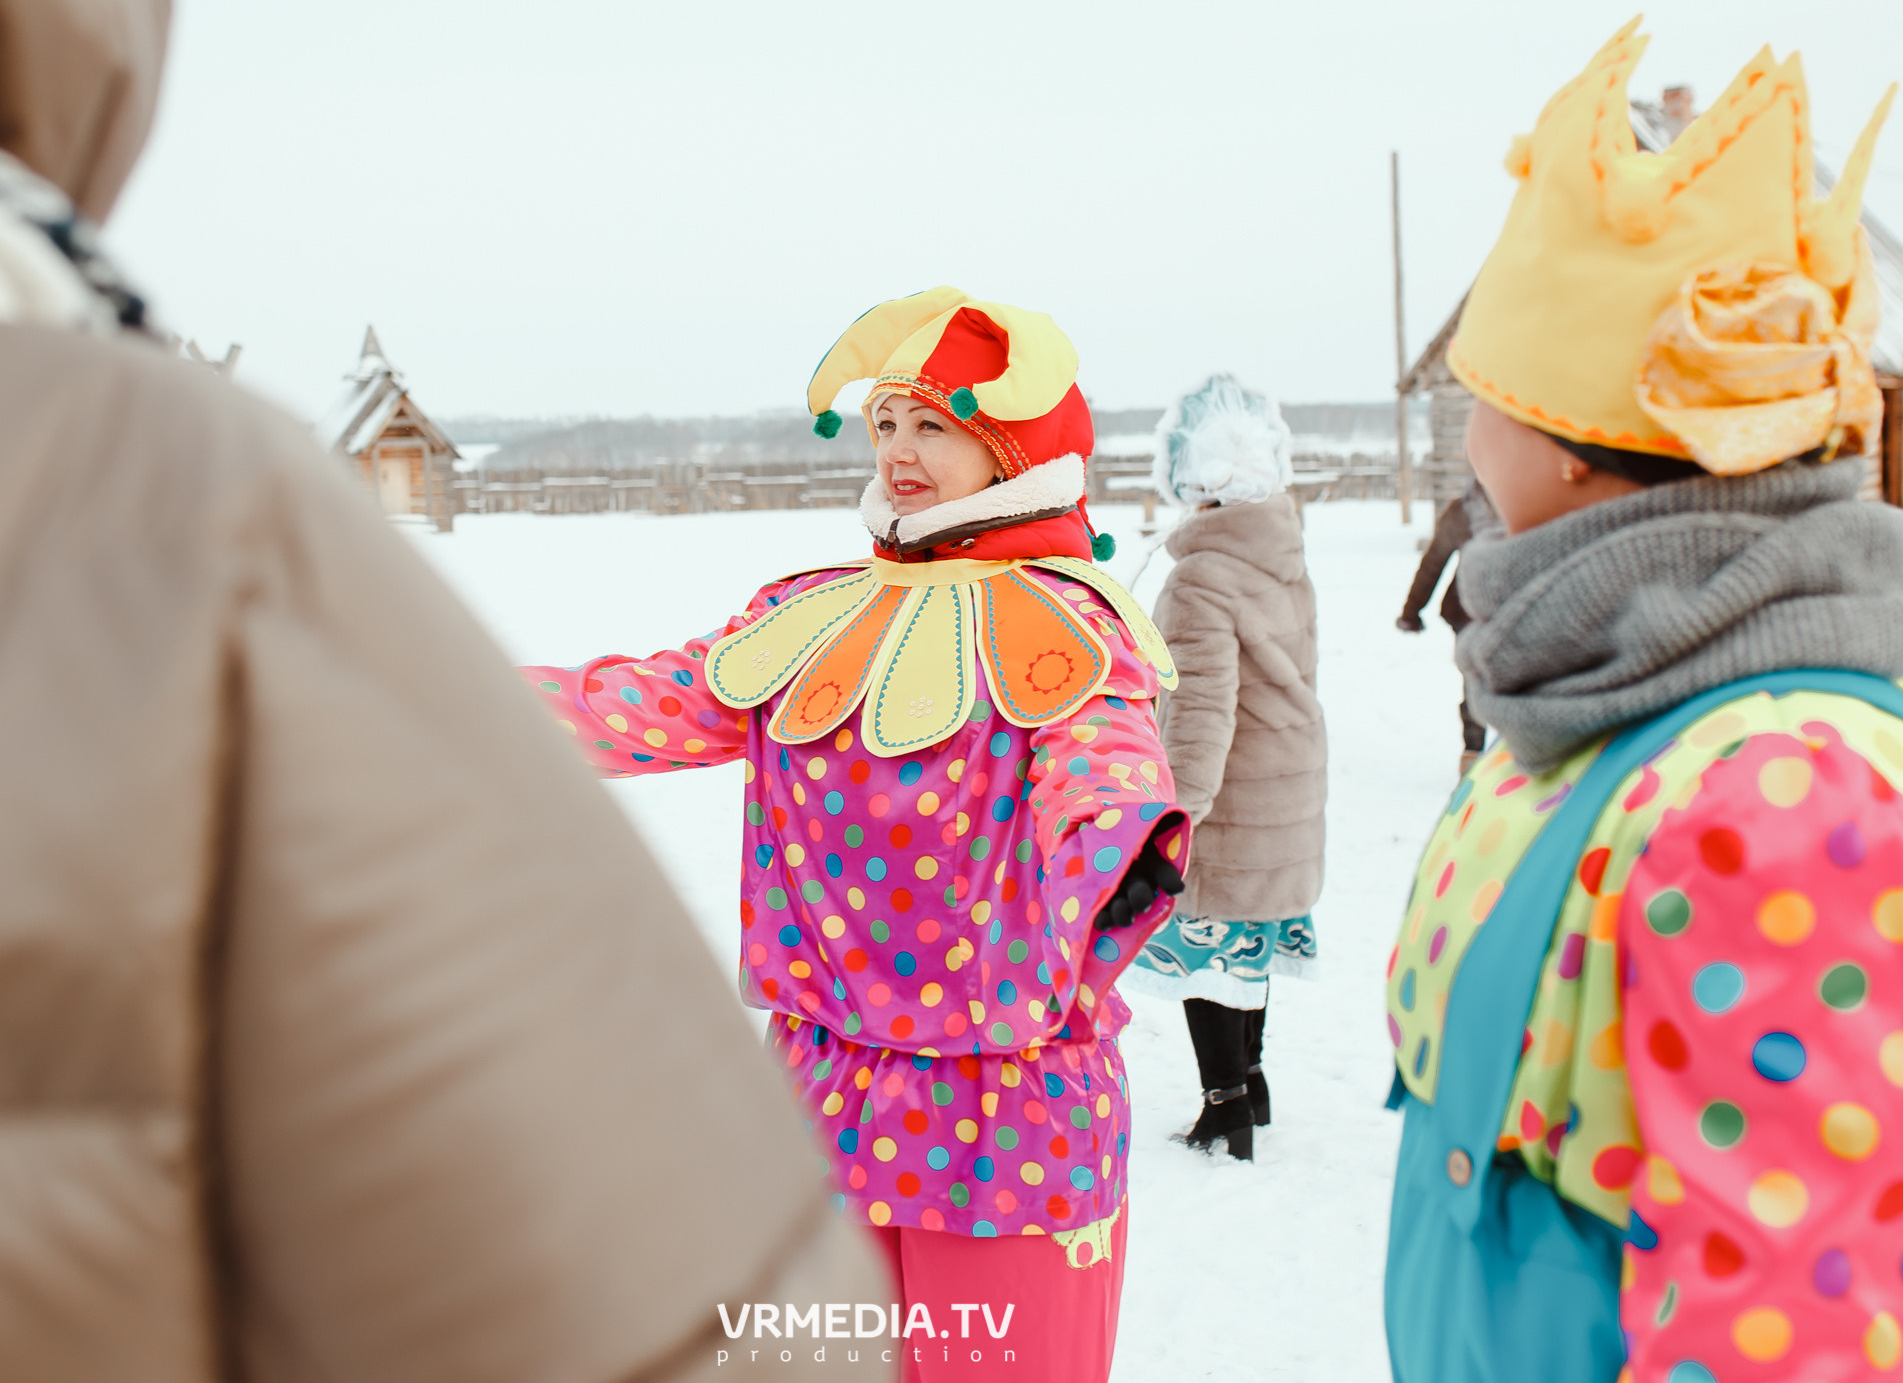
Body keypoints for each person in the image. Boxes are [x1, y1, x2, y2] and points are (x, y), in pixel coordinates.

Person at [0, 0, 887, 1377]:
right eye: (890, 426)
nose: (903, 455)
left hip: (989, 1062)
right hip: (859, 1038)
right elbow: (664, 1300)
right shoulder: (176, 507)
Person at [521, 287, 1190, 1382]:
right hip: (820, 1104)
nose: (899, 450)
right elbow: (647, 698)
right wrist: (437, 690)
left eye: (933, 423)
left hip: (1005, 1118)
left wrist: (1118, 844)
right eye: (885, 423)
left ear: (1011, 443)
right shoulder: (810, 611)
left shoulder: (1072, 626)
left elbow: (1101, 754)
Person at [1381, 20, 1903, 1383]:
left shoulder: (1787, 793)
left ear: (1567, 452)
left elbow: (1795, 1330)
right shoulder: (1584, 720)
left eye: (1476, 399)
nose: (1464, 434)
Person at [1118, 375, 1325, 1162]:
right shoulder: (1283, 558)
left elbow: (1200, 711)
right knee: (1251, 942)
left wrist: (1176, 814)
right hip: (1290, 775)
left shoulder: (1201, 577)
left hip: (1234, 793)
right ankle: (1256, 1083)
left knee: (1209, 951)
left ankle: (1225, 1107)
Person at [1396, 479, 1498, 771]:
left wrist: (1411, 612)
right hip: (1494, 609)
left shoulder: (1464, 508)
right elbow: (1434, 561)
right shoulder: (1524, 500)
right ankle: (1494, 755)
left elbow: (1433, 562)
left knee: (1475, 683)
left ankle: (1474, 753)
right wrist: (1411, 610)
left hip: (1470, 611)